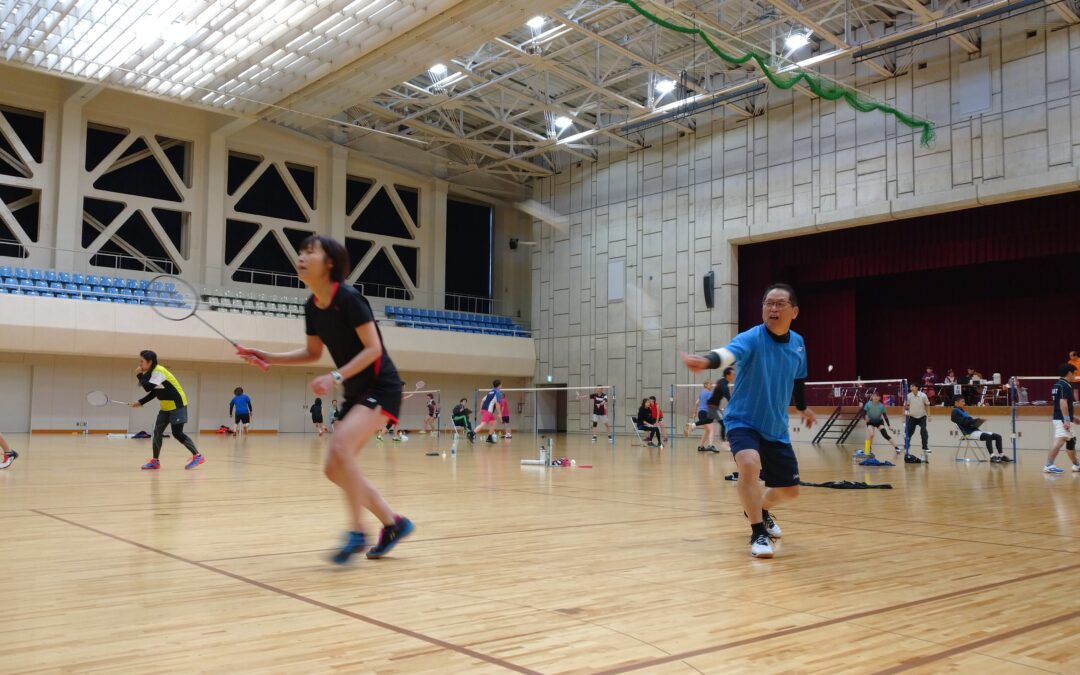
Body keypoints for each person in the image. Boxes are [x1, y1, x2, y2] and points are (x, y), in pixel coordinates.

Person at [237, 235, 413, 564]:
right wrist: (268, 356)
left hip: (380, 386)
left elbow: (374, 349)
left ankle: (357, 531)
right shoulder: (311, 307)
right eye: (300, 252)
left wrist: (334, 377)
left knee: (341, 449)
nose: (301, 257)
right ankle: (393, 523)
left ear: (329, 262)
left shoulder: (349, 299)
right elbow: (312, 352)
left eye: (310, 252)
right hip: (355, 392)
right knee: (334, 469)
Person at [680, 283, 816, 558]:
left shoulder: (798, 343)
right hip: (743, 420)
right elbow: (727, 354)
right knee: (749, 464)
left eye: (779, 304)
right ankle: (758, 533)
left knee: (790, 491)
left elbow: (798, 378)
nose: (773, 308)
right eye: (768, 303)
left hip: (775, 427)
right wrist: (706, 361)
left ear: (794, 311)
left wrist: (802, 407)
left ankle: (760, 508)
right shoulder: (752, 338)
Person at [133, 350, 204, 470]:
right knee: (157, 432)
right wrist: (141, 402)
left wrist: (139, 374)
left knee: (177, 433)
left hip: (177, 404)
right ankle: (155, 461)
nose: (140, 364)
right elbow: (154, 392)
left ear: (150, 362)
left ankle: (198, 456)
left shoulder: (158, 371)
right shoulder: (151, 373)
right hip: (165, 406)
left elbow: (147, 387)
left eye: (142, 361)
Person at [1044, 363, 1080, 474]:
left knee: (1071, 441)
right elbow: (1062, 402)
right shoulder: (1065, 385)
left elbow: (1060, 404)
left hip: (1061, 417)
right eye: (1074, 374)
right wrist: (1067, 420)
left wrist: (1072, 417)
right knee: (1060, 440)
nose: (1075, 376)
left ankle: (1076, 465)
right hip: (1062, 419)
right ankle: (1049, 465)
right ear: (1069, 373)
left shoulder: (1057, 384)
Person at [950, 397, 1010, 463]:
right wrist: (977, 420)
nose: (964, 403)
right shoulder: (955, 412)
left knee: (998, 436)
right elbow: (964, 423)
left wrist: (978, 422)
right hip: (969, 433)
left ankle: (1002, 455)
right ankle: (992, 457)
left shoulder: (962, 411)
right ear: (956, 402)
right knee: (988, 437)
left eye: (964, 401)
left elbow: (969, 422)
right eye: (962, 401)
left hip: (974, 430)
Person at [707, 367, 735, 451]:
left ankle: (693, 425)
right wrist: (733, 403)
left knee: (707, 423)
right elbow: (727, 395)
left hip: (712, 406)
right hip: (713, 407)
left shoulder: (721, 381)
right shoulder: (723, 384)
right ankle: (725, 443)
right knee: (723, 423)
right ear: (727, 375)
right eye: (733, 374)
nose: (734, 376)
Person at [862, 391, 899, 455]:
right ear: (872, 397)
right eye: (874, 396)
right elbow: (863, 413)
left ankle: (896, 448)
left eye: (877, 396)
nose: (875, 397)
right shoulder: (868, 404)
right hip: (870, 422)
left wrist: (889, 426)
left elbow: (885, 416)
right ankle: (868, 448)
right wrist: (865, 418)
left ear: (879, 398)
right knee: (871, 434)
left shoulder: (881, 406)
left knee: (885, 434)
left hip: (879, 422)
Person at [904, 383, 931, 456]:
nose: (911, 388)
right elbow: (906, 407)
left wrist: (929, 415)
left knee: (923, 430)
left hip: (922, 417)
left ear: (917, 387)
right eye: (910, 387)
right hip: (912, 417)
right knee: (908, 432)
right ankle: (906, 446)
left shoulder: (923, 395)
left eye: (913, 386)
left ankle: (925, 447)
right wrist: (904, 416)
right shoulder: (908, 396)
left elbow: (927, 405)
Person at [690, 379, 716, 452]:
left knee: (707, 430)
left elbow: (696, 403)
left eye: (712, 384)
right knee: (712, 429)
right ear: (706, 385)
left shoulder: (701, 393)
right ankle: (710, 446)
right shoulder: (709, 393)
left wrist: (694, 413)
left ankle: (701, 447)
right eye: (710, 384)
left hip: (700, 413)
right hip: (706, 413)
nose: (711, 386)